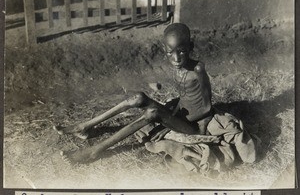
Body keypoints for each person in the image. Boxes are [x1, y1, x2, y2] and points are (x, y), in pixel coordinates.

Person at [54, 23, 256, 166]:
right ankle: (85, 127)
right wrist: (173, 112)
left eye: (182, 52)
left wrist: (183, 126)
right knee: (139, 98)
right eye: (171, 52)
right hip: (181, 115)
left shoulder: (198, 70)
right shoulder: (178, 68)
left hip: (195, 125)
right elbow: (185, 96)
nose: (176, 58)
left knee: (152, 114)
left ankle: (94, 151)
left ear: (190, 48)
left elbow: (205, 106)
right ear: (164, 50)